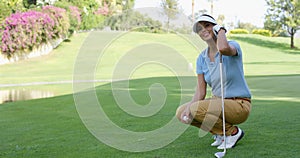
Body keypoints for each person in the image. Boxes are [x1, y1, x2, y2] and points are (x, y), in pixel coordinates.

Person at [176, 14, 252, 149]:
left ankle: (232, 133)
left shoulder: (232, 45)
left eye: (207, 25)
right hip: (217, 102)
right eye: (199, 29)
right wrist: (189, 107)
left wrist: (221, 30)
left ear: (215, 27)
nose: (203, 30)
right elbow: (201, 91)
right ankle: (220, 134)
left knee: (195, 109)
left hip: (238, 104)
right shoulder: (201, 58)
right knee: (181, 112)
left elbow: (223, 49)